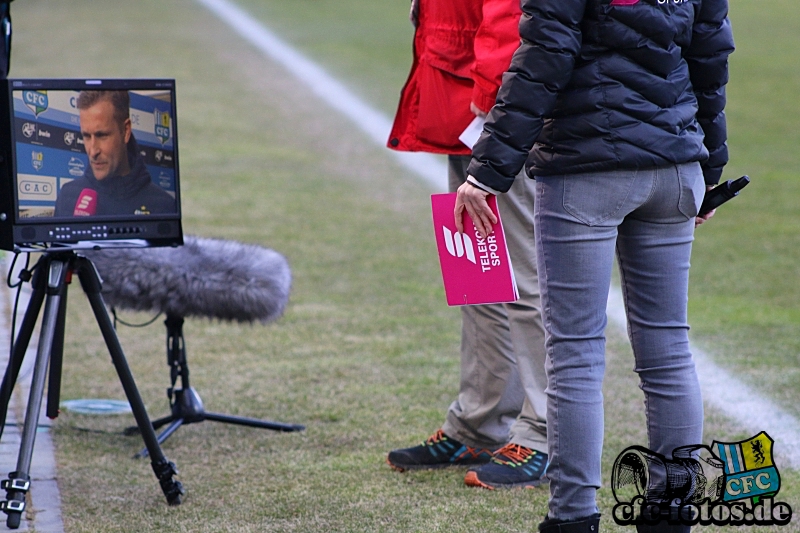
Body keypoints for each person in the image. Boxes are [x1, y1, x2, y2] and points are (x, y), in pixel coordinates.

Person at [457, 0, 734, 531]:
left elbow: (544, 58)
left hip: (585, 171)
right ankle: (673, 513)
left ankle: (572, 517)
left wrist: (487, 172)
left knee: (576, 355)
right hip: (675, 169)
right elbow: (711, 65)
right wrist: (710, 171)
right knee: (668, 350)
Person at [385, 0, 550, 490]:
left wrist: (494, 92)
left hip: (496, 105)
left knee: (525, 278)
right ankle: (479, 424)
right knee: (475, 276)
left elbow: (510, 13)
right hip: (459, 98)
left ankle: (544, 434)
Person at [54, 90, 175, 217]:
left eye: (102, 135)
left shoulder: (164, 206)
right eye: (87, 136)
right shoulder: (67, 198)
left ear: (126, 130)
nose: (93, 151)